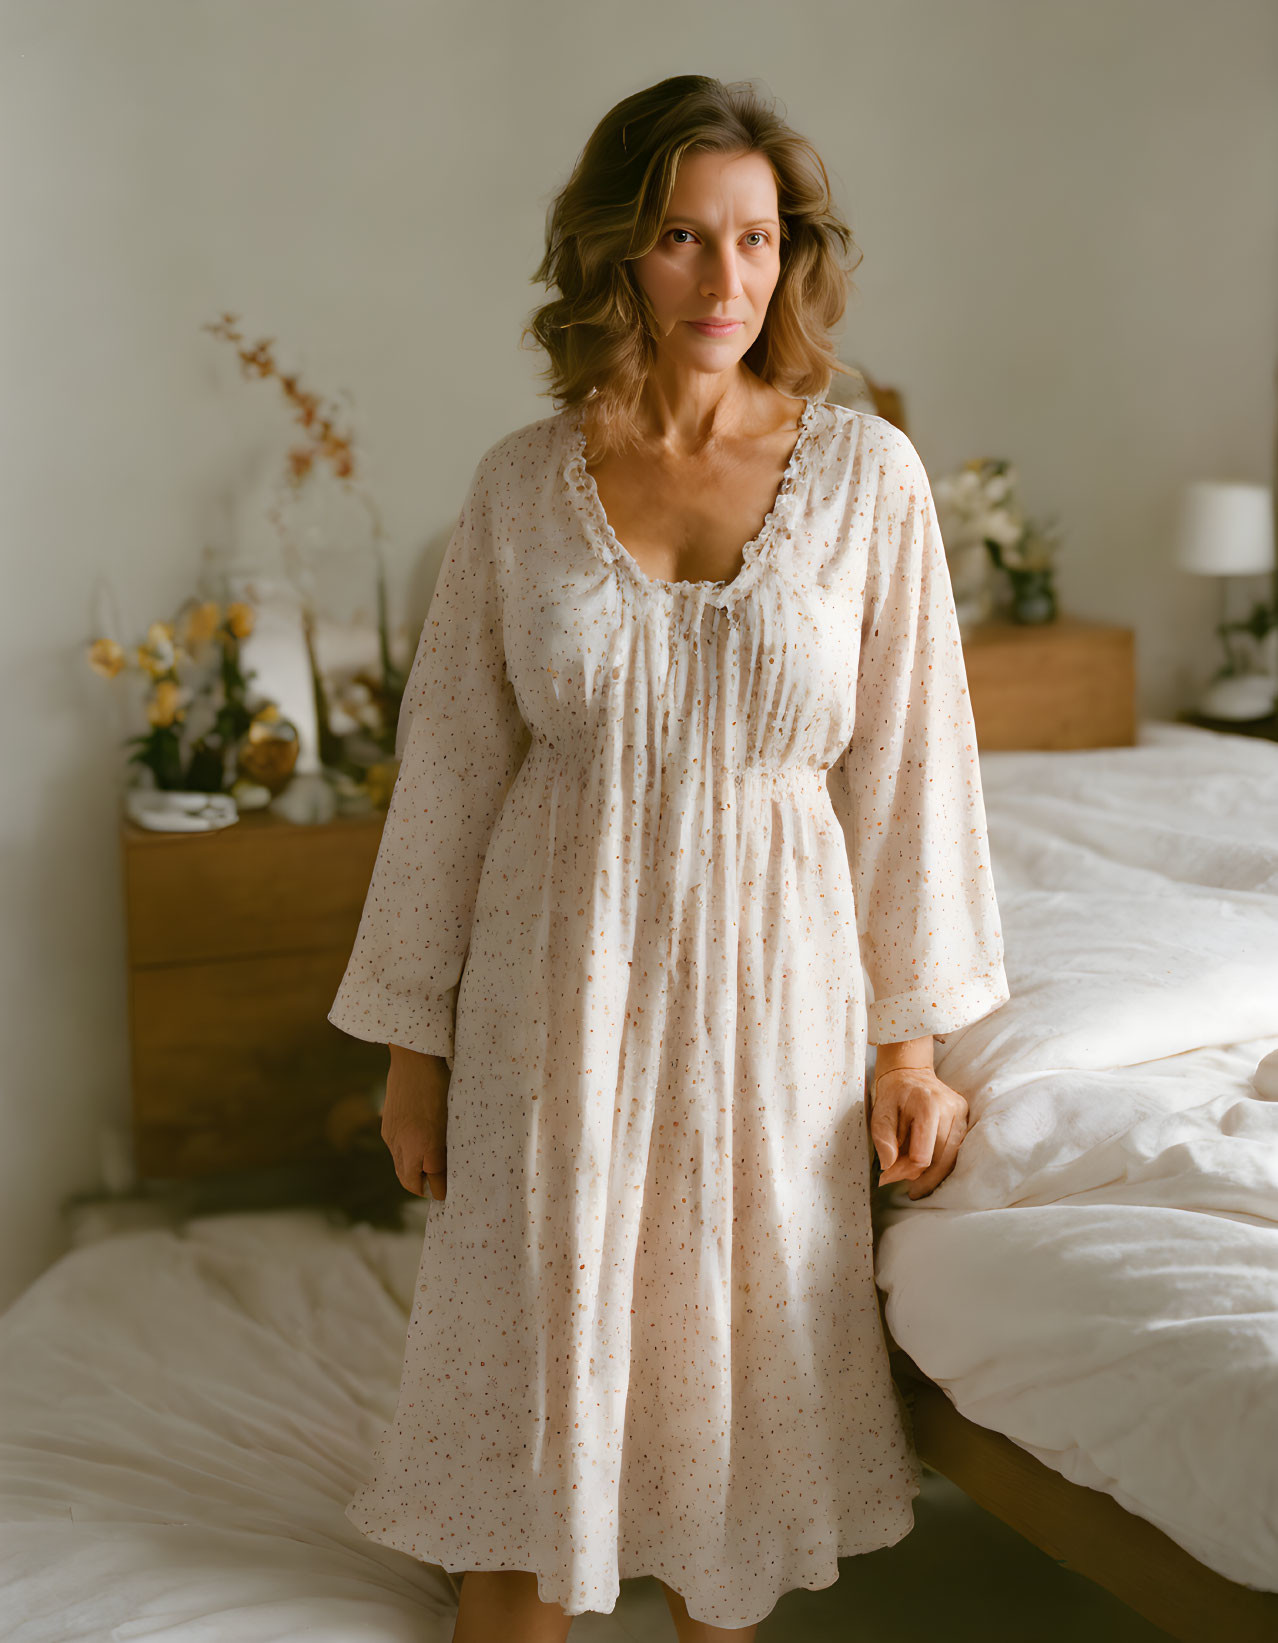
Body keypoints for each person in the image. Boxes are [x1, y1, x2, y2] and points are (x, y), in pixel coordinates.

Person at [328, 74, 1010, 1643]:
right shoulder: (518, 484)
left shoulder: (868, 480)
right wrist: (412, 1056)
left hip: (776, 986)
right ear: (619, 256)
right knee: (528, 1349)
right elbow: (446, 777)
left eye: (757, 240)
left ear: (794, 254)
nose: (725, 282)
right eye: (684, 240)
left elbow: (912, 778)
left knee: (733, 1373)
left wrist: (907, 1047)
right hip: (550, 969)